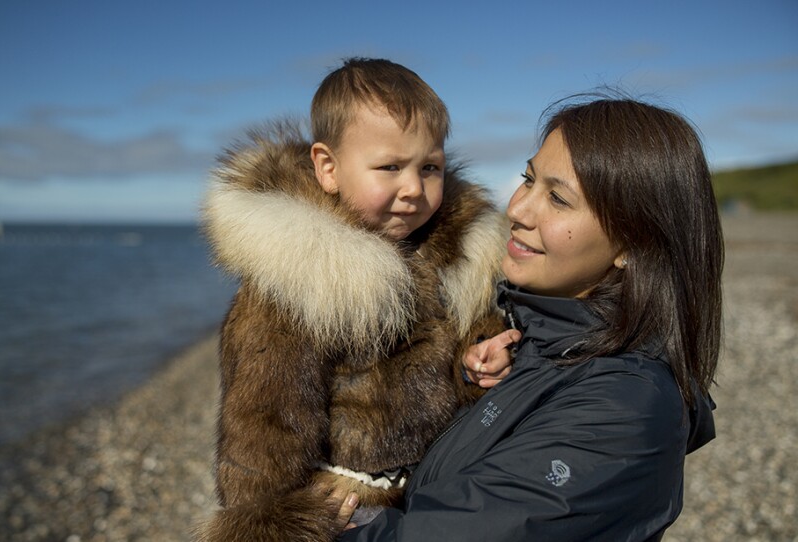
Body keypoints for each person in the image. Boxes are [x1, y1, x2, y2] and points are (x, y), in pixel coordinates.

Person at [334, 94, 723, 541]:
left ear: (631, 246)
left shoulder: (626, 411)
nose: (517, 210)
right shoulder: (529, 338)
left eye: (558, 198)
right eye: (528, 179)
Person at [196, 58, 516, 541]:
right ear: (328, 168)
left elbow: (448, 365)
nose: (413, 189)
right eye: (389, 167)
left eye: (430, 167)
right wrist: (269, 518)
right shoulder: (299, 276)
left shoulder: (449, 254)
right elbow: (265, 418)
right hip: (349, 508)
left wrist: (476, 364)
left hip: (437, 485)